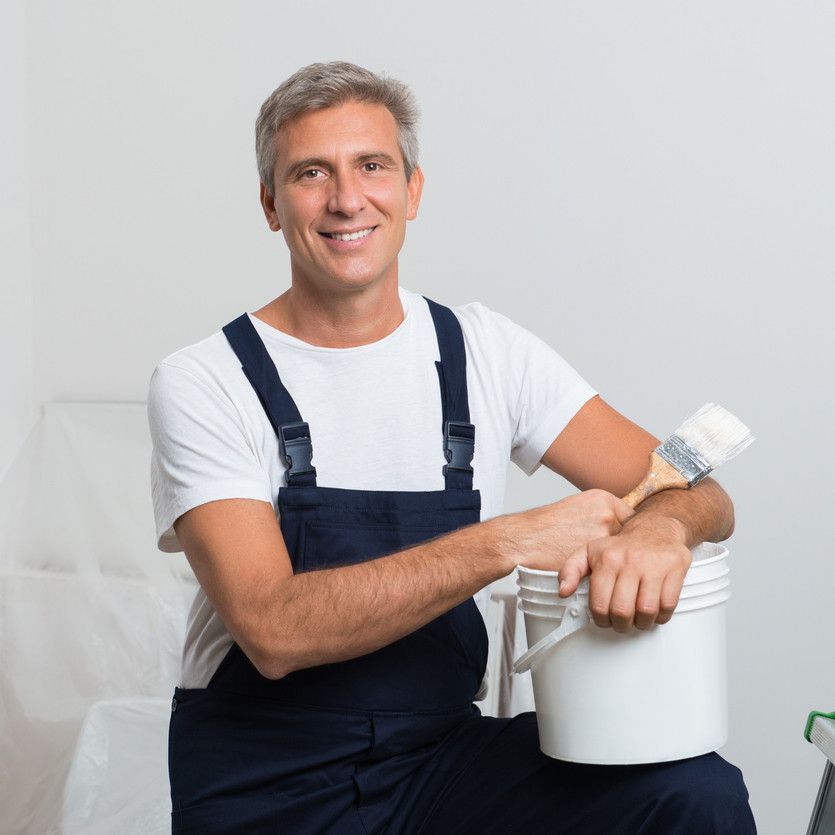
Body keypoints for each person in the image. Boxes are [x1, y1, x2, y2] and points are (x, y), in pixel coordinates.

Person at [147, 61, 756, 834]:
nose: (346, 199)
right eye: (311, 172)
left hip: (436, 760)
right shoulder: (206, 380)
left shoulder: (484, 353)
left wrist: (660, 528)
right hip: (263, 780)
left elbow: (701, 492)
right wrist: (508, 541)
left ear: (412, 190)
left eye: (372, 166)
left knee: (693, 793)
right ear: (271, 203)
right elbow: (272, 629)